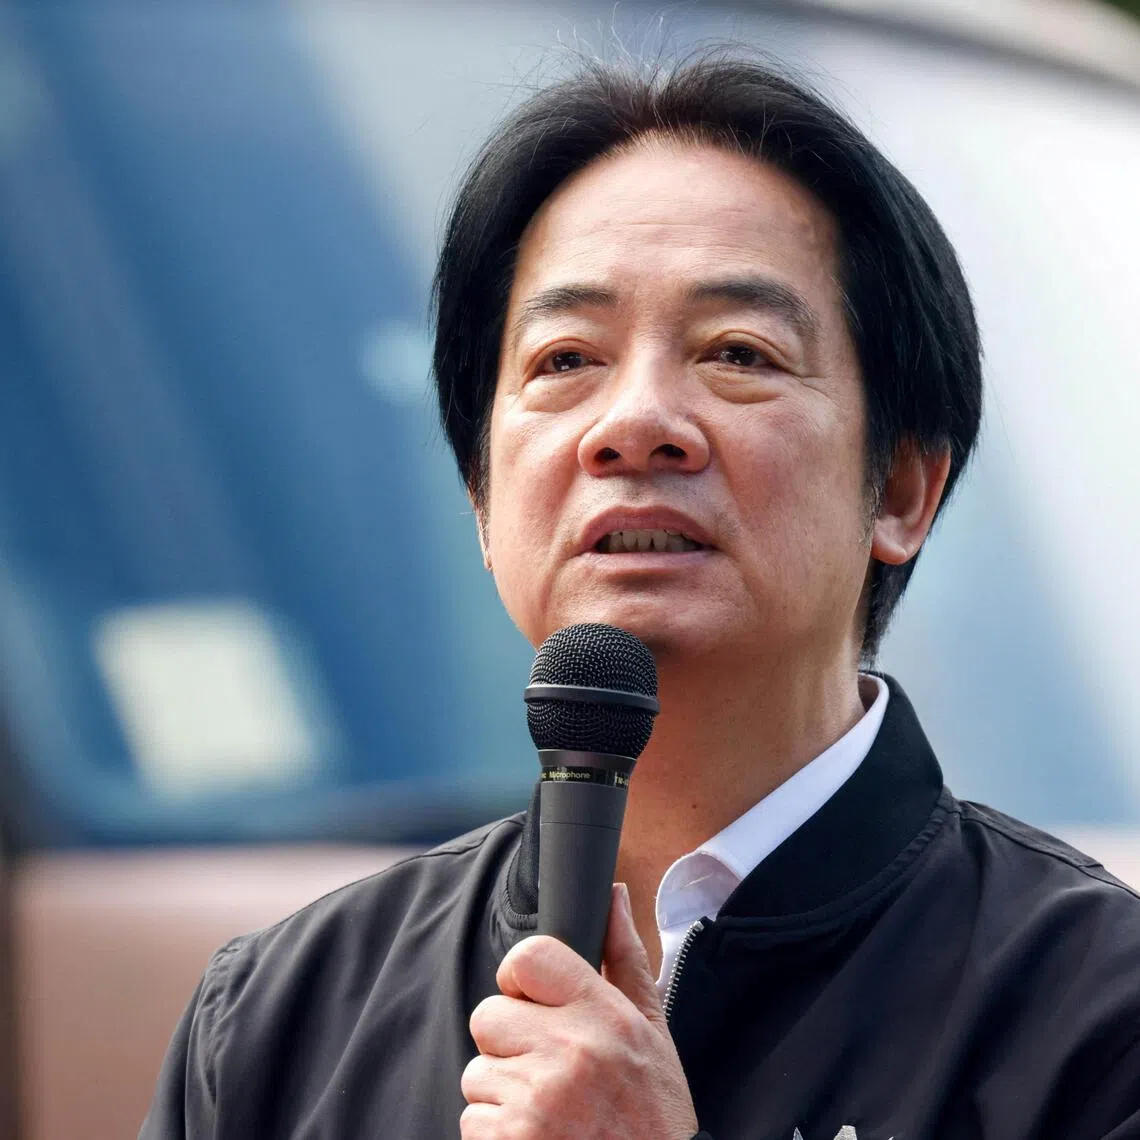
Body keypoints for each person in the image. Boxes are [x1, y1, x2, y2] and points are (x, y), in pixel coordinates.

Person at [140, 53, 1140, 1140]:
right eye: (566, 358)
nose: (636, 422)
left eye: (737, 353)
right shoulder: (278, 1021)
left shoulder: (1097, 1019)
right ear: (482, 496)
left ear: (900, 488)